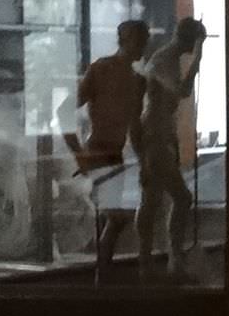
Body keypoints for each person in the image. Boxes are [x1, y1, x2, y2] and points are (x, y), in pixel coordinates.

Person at [65, 18, 148, 266]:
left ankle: (103, 279)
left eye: (145, 42)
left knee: (109, 221)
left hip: (115, 156)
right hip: (97, 152)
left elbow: (135, 127)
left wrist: (144, 163)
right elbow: (63, 111)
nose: (143, 48)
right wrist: (79, 154)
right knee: (117, 217)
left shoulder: (137, 81)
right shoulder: (101, 70)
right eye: (139, 42)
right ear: (125, 40)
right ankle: (102, 277)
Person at [136, 17, 207, 275]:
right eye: (197, 41)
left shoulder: (169, 59)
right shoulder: (164, 59)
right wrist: (197, 59)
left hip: (162, 134)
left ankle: (152, 261)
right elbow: (182, 91)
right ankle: (172, 258)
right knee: (180, 197)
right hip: (154, 135)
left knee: (153, 198)